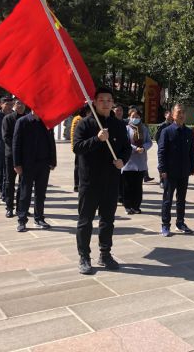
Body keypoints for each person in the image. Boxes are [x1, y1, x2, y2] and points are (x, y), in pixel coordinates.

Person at [73, 88, 131, 274]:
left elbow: (126, 148)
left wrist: (123, 160)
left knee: (107, 220)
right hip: (89, 181)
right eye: (102, 100)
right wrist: (96, 139)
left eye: (109, 100)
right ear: (95, 102)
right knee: (85, 220)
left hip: (111, 180)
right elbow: (77, 147)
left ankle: (105, 253)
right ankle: (84, 256)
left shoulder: (119, 125)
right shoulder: (85, 123)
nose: (106, 103)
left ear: (112, 103)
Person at [13, 111, 56, 232]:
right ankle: (22, 220)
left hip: (43, 163)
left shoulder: (47, 122)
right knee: (25, 193)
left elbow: (51, 141)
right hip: (27, 164)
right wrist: (17, 164)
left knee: (41, 193)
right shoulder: (22, 122)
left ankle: (39, 218)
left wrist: (53, 161)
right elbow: (16, 143)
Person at [157, 104, 194, 237]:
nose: (181, 115)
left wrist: (192, 167)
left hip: (184, 171)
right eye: (179, 112)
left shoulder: (189, 132)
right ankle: (165, 224)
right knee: (168, 199)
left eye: (183, 112)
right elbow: (161, 151)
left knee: (181, 199)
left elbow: (191, 151)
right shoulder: (166, 131)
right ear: (173, 115)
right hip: (170, 171)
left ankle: (180, 222)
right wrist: (162, 169)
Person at [122, 108, 152, 214]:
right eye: (133, 116)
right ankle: (127, 206)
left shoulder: (143, 129)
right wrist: (135, 148)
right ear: (129, 117)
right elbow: (125, 143)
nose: (135, 118)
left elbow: (149, 142)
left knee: (138, 186)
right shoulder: (126, 129)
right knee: (127, 186)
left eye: (137, 116)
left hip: (140, 161)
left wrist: (143, 148)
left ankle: (136, 206)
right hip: (128, 161)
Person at [1, 98, 28, 217]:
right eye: (18, 103)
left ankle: (21, 207)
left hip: (25, 156)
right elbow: (6, 137)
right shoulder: (8, 118)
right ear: (14, 105)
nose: (20, 105)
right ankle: (9, 207)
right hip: (11, 155)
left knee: (24, 183)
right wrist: (17, 148)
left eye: (23, 103)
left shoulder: (28, 118)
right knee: (10, 182)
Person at [70, 105, 90, 193]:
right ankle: (76, 184)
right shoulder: (78, 119)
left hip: (87, 146)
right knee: (78, 166)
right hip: (80, 146)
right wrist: (74, 147)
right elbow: (73, 134)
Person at [155, 109, 174, 188]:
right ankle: (162, 180)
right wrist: (161, 145)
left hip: (172, 149)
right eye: (169, 114)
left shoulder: (174, 125)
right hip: (163, 148)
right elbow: (157, 137)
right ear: (165, 115)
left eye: (171, 114)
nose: (170, 116)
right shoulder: (162, 126)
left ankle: (170, 180)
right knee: (162, 165)